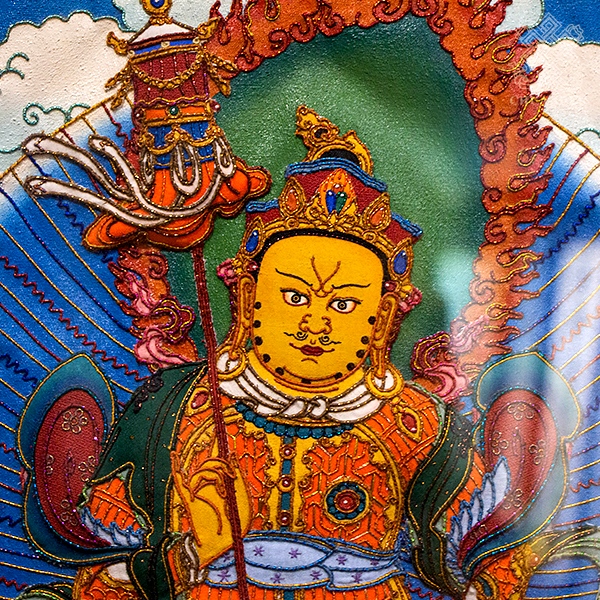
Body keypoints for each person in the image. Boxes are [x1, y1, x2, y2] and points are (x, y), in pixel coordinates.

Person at [70, 107, 524, 600]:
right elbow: (101, 573)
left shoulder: (419, 424)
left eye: (344, 304)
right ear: (248, 297)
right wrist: (190, 556)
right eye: (294, 296)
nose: (316, 323)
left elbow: (491, 555)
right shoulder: (173, 407)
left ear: (383, 318)